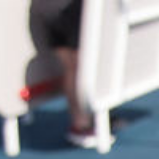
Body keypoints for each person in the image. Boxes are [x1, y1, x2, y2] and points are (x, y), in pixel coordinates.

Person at [28, 0, 105, 149]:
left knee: (71, 67)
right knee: (79, 65)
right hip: (65, 8)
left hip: (45, 9)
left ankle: (84, 120)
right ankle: (84, 123)